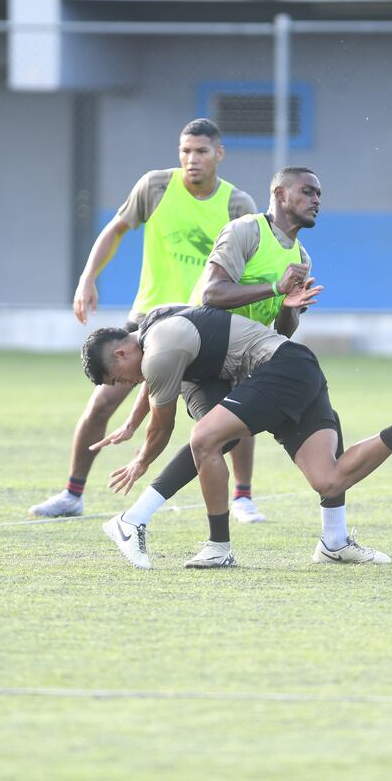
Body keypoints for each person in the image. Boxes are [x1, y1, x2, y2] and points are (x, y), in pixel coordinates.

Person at [81, 304, 392, 570]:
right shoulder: (157, 323)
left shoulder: (158, 354)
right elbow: (157, 384)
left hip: (278, 370)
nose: (126, 385)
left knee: (205, 438)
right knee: (329, 480)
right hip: (300, 368)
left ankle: (208, 544)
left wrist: (141, 461)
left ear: (122, 353)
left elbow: (161, 425)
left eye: (118, 378)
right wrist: (132, 425)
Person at [28, 119, 265, 522]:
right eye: (185, 150)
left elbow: (252, 263)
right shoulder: (155, 187)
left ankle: (242, 497)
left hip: (205, 323)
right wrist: (87, 277)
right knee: (103, 402)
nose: (192, 159)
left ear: (219, 154)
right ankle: (72, 494)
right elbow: (116, 229)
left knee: (232, 410)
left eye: (201, 151)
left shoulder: (237, 204)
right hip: (147, 320)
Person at [87, 166, 321, 537]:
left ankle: (218, 526)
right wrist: (275, 288)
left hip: (241, 358)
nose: (316, 200)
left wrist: (291, 304)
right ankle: (141, 519)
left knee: (223, 437)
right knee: (213, 437)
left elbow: (282, 331)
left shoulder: (302, 257)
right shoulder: (246, 230)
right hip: (203, 356)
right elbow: (212, 295)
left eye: (318, 194)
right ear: (280, 194)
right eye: (307, 191)